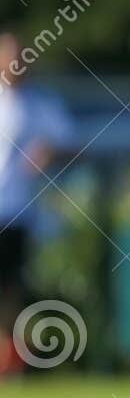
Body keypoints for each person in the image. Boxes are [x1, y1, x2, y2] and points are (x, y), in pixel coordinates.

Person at [0, 33, 73, 376]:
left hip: (17, 211)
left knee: (13, 287)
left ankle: (15, 359)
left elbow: (68, 141)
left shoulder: (41, 103)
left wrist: (47, 151)